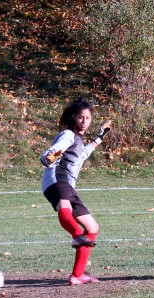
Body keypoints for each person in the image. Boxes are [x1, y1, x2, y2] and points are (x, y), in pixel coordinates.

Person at [40, 97, 111, 285]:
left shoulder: (78, 139)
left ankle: (77, 275)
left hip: (68, 184)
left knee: (92, 227)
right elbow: (56, 150)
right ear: (74, 117)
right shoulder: (68, 135)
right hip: (57, 179)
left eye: (88, 118)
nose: (84, 121)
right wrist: (48, 157)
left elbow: (82, 155)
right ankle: (77, 236)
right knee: (65, 207)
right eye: (81, 117)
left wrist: (99, 138)